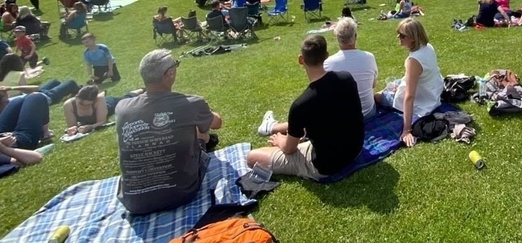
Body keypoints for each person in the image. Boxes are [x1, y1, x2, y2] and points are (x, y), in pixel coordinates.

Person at [116, 49, 222, 215]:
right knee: (201, 130)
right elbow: (217, 122)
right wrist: (205, 110)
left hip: (135, 201)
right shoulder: (190, 103)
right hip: (181, 193)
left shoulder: (122, 108)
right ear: (170, 74)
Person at [246, 35, 364, 180]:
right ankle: (273, 127)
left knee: (252, 157)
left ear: (301, 60)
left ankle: (273, 128)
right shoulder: (347, 78)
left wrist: (280, 142)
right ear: (326, 56)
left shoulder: (301, 105)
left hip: (326, 165)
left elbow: (289, 149)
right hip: (355, 150)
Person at [375, 18, 444, 147]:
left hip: (423, 100)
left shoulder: (413, 60)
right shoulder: (428, 47)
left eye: (402, 35)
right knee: (394, 84)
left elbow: (409, 96)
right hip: (433, 92)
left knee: (377, 96)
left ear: (412, 38)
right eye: (398, 33)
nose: (398, 37)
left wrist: (407, 130)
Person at [63, 85, 141, 137]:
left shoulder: (99, 99)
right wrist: (72, 130)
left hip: (108, 105)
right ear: (76, 97)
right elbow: (72, 126)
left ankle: (141, 90)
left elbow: (102, 121)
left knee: (125, 99)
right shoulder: (69, 105)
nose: (83, 107)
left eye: (88, 105)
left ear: (94, 101)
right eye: (80, 103)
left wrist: (91, 127)